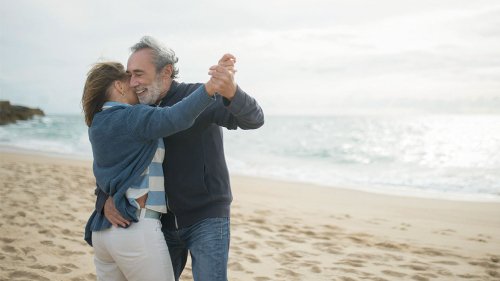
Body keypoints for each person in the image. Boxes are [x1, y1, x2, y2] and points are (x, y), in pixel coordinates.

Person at [93, 36, 264, 281]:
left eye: (139, 74)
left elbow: (255, 119)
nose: (133, 82)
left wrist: (231, 92)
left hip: (206, 218)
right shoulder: (134, 113)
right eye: (129, 75)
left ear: (167, 71)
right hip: (159, 224)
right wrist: (104, 197)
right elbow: (111, 160)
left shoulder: (198, 96)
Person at [82, 58, 232, 280]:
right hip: (135, 228)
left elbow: (107, 172)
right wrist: (210, 88)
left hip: (104, 234)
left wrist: (104, 201)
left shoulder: (97, 123)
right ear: (118, 86)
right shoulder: (132, 117)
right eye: (128, 78)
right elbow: (175, 117)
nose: (134, 83)